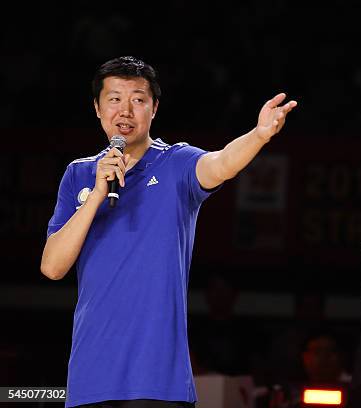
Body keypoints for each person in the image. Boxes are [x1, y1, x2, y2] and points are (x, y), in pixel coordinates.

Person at [40, 56, 297, 408]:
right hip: (90, 380)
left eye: (138, 99)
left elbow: (221, 163)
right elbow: (52, 267)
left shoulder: (176, 163)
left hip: (157, 381)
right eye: (114, 99)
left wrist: (259, 135)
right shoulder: (79, 174)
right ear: (97, 108)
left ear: (154, 108)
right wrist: (97, 194)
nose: (125, 110)